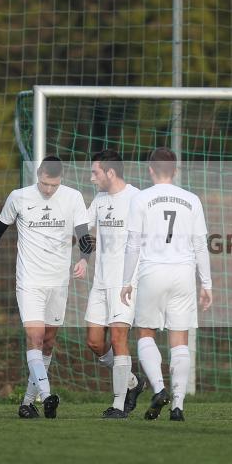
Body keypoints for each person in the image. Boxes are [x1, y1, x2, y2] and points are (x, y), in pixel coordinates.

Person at [0, 156, 91, 419]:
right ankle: (46, 395)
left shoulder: (73, 197)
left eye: (54, 185)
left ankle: (28, 403)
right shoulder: (18, 197)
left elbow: (84, 235)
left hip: (59, 282)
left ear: (61, 179)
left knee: (49, 343)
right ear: (38, 174)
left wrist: (84, 259)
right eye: (44, 184)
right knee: (35, 338)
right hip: (29, 281)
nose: (49, 190)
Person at [120, 148, 213, 422]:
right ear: (175, 170)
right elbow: (200, 245)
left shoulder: (140, 198)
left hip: (152, 272)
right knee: (180, 339)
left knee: (145, 333)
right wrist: (206, 283)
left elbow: (133, 244)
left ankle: (160, 389)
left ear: (150, 169)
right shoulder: (192, 200)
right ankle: (178, 407)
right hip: (183, 274)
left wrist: (126, 281)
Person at [84, 150, 147, 419]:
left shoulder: (137, 198)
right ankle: (132, 382)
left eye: (95, 172)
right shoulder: (99, 199)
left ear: (110, 172)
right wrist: (82, 257)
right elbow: (83, 228)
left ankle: (119, 405)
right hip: (100, 282)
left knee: (119, 338)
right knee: (94, 342)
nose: (91, 178)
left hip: (125, 283)